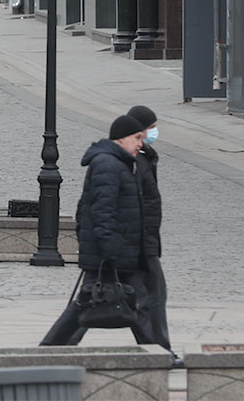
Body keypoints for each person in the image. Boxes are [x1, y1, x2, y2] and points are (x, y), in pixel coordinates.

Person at [41, 114, 154, 346]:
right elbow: (102, 209)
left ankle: (157, 350)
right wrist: (109, 247)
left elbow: (86, 208)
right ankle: (51, 348)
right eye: (137, 138)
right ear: (121, 139)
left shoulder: (118, 163)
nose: (141, 143)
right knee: (89, 304)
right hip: (111, 251)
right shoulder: (108, 165)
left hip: (116, 250)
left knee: (132, 304)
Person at [128, 104, 171, 354]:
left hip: (142, 242)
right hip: (139, 244)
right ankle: (159, 350)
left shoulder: (144, 158)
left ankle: (157, 349)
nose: (155, 132)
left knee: (86, 303)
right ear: (140, 131)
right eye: (152, 128)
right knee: (153, 297)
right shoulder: (135, 163)